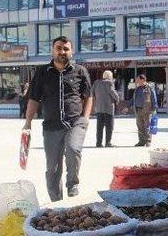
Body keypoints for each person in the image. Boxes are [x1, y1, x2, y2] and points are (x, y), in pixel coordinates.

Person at [22, 36, 92, 201]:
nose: (62, 52)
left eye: (66, 49)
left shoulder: (80, 71)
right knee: (53, 168)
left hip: (75, 122)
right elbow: (33, 98)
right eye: (59, 48)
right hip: (51, 126)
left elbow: (88, 96)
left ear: (71, 52)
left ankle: (73, 184)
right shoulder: (41, 72)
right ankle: (56, 201)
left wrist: (86, 118)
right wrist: (27, 122)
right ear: (53, 51)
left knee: (74, 149)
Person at [91, 70, 119, 148]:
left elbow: (91, 92)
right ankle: (108, 142)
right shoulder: (109, 83)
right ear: (110, 76)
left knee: (99, 126)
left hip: (99, 108)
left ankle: (98, 143)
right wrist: (117, 99)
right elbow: (112, 92)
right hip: (108, 108)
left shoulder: (96, 82)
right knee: (109, 126)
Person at [133, 74, 157, 147]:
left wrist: (154, 108)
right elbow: (134, 99)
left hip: (147, 110)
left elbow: (153, 97)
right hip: (138, 110)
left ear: (143, 80)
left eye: (138, 80)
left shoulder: (149, 87)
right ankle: (141, 141)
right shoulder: (137, 88)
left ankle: (148, 141)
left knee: (147, 126)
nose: (136, 81)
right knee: (140, 126)